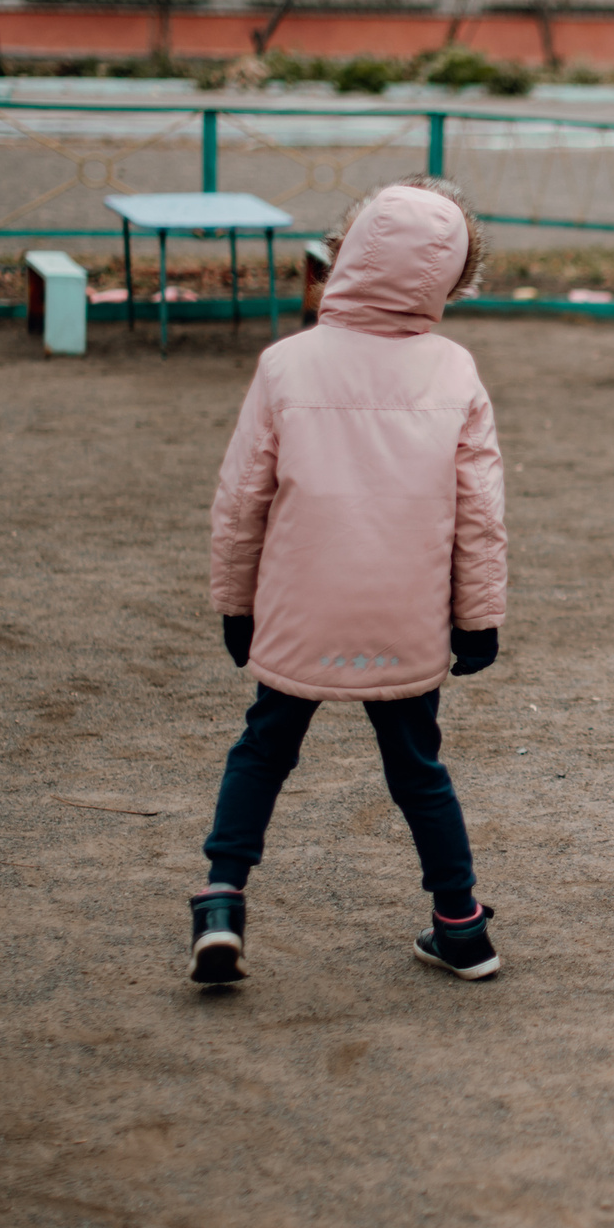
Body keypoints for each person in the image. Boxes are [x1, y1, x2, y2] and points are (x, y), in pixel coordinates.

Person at [188, 176, 509, 987]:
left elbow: (241, 499)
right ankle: (461, 924)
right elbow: (479, 511)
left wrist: (235, 604)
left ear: (348, 253)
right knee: (418, 768)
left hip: (300, 608)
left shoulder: (287, 364)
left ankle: (221, 902)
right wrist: (477, 620)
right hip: (405, 616)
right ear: (450, 279)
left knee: (263, 749)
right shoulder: (453, 370)